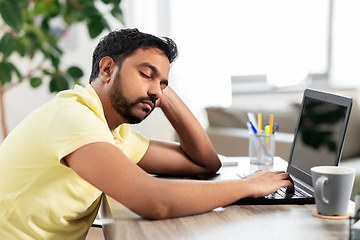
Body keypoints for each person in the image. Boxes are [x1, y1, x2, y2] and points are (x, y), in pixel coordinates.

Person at [0, 28, 294, 239]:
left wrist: (160, 91)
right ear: (106, 69)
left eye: (163, 83)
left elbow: (206, 164)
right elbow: (153, 200)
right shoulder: (72, 117)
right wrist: (249, 186)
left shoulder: (113, 133)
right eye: (146, 73)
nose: (155, 91)